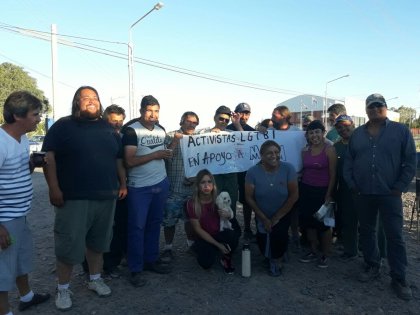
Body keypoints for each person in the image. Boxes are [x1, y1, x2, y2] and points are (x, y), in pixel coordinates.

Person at [42, 86, 126, 311]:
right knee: (69, 245)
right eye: (85, 98)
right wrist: (53, 188)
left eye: (95, 98)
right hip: (74, 197)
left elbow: (117, 159)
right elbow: (48, 156)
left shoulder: (108, 128)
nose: (92, 101)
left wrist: (123, 183)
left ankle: (95, 278)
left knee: (98, 243)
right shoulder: (62, 126)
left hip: (106, 196)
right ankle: (63, 288)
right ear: (76, 102)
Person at [343, 93, 416, 301]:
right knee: (366, 231)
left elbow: (410, 161)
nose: (375, 109)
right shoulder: (357, 134)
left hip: (389, 193)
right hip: (363, 193)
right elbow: (349, 161)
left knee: (394, 235)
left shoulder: (401, 131)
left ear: (385, 108)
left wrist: (400, 186)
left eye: (379, 105)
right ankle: (372, 264)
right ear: (366, 110)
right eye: (371, 106)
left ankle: (399, 277)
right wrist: (352, 184)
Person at [0, 91, 50, 315]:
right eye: (35, 114)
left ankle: (26, 296)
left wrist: (32, 163)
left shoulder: (23, 138)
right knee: (2, 272)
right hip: (5, 219)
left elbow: (20, 173)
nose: (39, 118)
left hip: (19, 214)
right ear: (18, 116)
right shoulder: (0, 142)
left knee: (20, 259)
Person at [121, 95, 172, 288]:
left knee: (154, 224)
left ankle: (151, 260)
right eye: (149, 110)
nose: (153, 114)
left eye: (156, 111)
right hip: (139, 187)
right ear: (142, 111)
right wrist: (156, 155)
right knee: (136, 227)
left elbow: (163, 153)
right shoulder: (131, 131)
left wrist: (167, 152)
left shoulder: (161, 130)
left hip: (160, 183)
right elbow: (129, 161)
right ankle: (135, 268)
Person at [245, 140, 299, 276]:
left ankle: (277, 259)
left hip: (282, 212)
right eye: (269, 153)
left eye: (276, 152)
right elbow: (249, 198)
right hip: (261, 213)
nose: (274, 155)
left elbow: (293, 195)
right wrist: (263, 218)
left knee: (278, 235)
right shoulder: (252, 172)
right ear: (261, 155)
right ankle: (271, 252)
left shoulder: (288, 169)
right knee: (263, 243)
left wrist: (276, 218)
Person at [161, 111, 200, 262]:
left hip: (192, 190)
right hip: (173, 189)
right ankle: (168, 248)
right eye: (189, 121)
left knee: (190, 220)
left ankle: (191, 246)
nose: (191, 124)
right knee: (169, 221)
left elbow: (203, 162)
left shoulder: (198, 140)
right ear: (181, 122)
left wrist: (195, 179)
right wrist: (176, 141)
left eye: (195, 122)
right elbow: (165, 156)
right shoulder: (171, 136)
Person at [186, 169, 240, 273]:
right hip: (204, 236)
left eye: (209, 182)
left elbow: (230, 217)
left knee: (234, 232)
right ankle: (204, 248)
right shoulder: (191, 203)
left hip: (220, 232)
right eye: (203, 182)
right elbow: (198, 230)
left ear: (213, 184)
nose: (206, 185)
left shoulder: (219, 198)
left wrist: (228, 215)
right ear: (197, 185)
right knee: (205, 264)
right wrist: (218, 245)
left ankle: (225, 257)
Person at [299, 120, 337, 268]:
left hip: (323, 191)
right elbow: (304, 170)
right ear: (307, 135)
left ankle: (325, 254)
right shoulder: (304, 151)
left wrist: (329, 194)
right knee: (309, 223)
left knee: (324, 225)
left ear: (323, 133)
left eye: (317, 132)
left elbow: (333, 174)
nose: (314, 135)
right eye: (311, 132)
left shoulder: (329, 150)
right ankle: (313, 251)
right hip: (306, 189)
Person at [200, 106, 243, 219]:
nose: (224, 122)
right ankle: (213, 229)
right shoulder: (204, 132)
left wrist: (237, 124)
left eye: (226, 120)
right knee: (214, 202)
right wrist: (210, 135)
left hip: (231, 174)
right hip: (213, 175)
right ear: (215, 117)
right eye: (221, 119)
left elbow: (244, 142)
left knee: (231, 201)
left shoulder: (231, 133)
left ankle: (230, 228)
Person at [102, 104, 128, 277]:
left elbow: (121, 163)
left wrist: (123, 184)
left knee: (119, 227)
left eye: (120, 121)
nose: (117, 124)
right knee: (100, 229)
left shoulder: (123, 137)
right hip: (100, 190)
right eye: (113, 121)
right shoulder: (98, 137)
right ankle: (91, 267)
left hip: (119, 189)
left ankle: (113, 263)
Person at [227, 103, 256, 240]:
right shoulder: (227, 129)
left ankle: (247, 228)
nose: (244, 116)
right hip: (230, 170)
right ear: (235, 113)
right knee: (229, 199)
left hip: (246, 171)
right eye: (241, 113)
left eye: (247, 113)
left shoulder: (252, 131)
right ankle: (229, 225)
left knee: (246, 201)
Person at [333, 115, 358, 261]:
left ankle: (375, 254)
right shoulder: (336, 147)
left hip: (365, 189)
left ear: (352, 124)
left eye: (345, 125)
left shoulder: (364, 142)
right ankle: (350, 250)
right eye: (339, 127)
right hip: (344, 190)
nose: (343, 129)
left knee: (369, 224)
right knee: (348, 222)